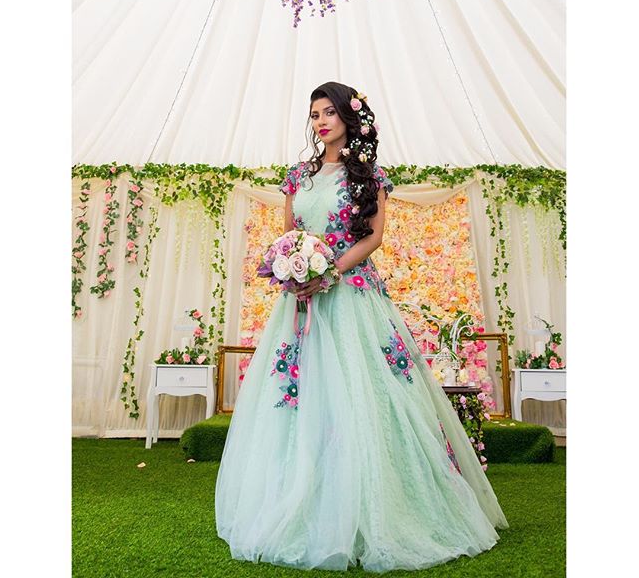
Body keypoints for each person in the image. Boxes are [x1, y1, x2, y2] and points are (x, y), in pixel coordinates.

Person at [215, 81, 508, 572]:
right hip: (302, 302)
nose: (321, 122)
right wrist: (292, 266)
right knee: (303, 399)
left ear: (351, 117)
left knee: (363, 394)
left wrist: (328, 270)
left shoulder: (367, 175)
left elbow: (373, 237)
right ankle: (303, 501)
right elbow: (289, 236)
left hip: (350, 296)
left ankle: (378, 507)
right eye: (314, 115)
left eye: (329, 112)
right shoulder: (299, 176)